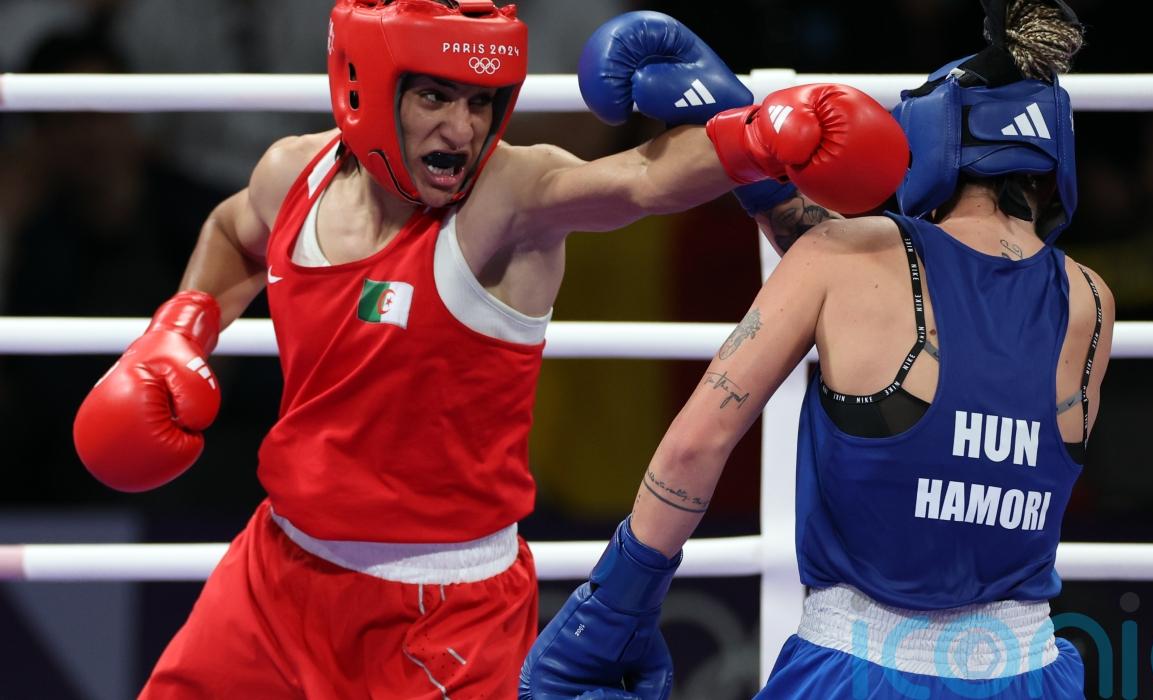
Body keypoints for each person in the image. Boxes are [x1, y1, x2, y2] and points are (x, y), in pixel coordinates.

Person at [69, 1, 907, 697]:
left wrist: (763, 136)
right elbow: (233, 230)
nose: (462, 128)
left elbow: (641, 182)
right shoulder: (294, 173)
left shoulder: (506, 198)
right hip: (276, 571)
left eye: (481, 101)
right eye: (436, 96)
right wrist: (182, 327)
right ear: (366, 88)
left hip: (441, 611)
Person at [521, 1, 1112, 698]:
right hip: (1028, 669)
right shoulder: (1090, 301)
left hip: (858, 668)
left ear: (933, 142)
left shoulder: (843, 257)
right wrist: (750, 149)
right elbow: (951, 313)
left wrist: (621, 601)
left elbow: (695, 446)